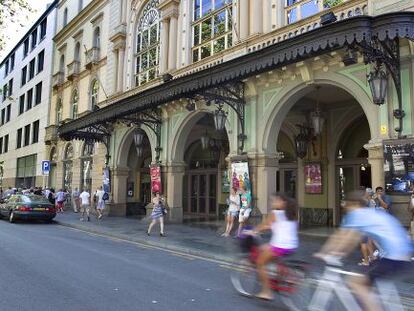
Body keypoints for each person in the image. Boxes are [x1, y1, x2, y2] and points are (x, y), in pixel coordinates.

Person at [315, 190, 412, 311]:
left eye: (347, 204)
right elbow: (353, 238)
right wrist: (342, 251)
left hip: (394, 256)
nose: (345, 207)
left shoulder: (356, 215)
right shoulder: (371, 213)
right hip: (403, 254)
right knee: (374, 280)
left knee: (356, 283)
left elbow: (342, 238)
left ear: (355, 204)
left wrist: (324, 252)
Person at [253, 193, 299, 301]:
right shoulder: (291, 214)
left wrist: (253, 231)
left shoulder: (275, 213)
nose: (272, 203)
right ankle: (282, 276)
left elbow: (264, 225)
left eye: (275, 201)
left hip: (279, 246)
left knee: (260, 262)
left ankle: (266, 292)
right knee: (264, 249)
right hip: (291, 246)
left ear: (283, 203)